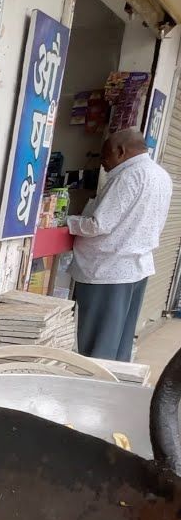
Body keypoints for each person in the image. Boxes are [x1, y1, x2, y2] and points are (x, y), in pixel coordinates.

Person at [68, 128, 172, 362]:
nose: (103, 164)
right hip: (136, 268)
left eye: (105, 157)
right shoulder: (161, 175)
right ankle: (112, 388)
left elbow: (98, 224)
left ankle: (94, 392)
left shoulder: (128, 176)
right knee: (119, 345)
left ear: (121, 151)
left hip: (108, 271)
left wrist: (70, 223)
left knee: (98, 347)